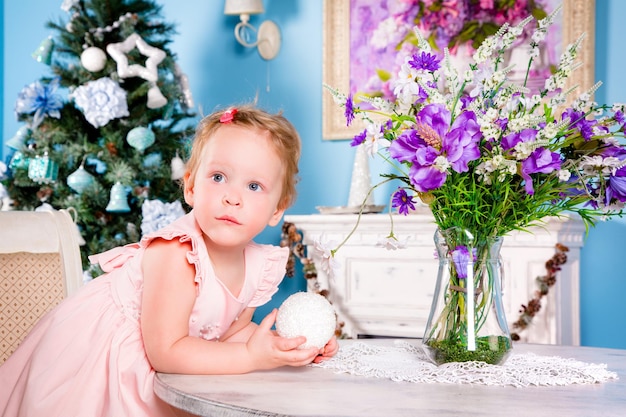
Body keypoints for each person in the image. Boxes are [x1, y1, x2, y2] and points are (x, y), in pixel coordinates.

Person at [0, 105, 339, 416]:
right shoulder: (176, 252)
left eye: (253, 185)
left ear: (277, 210)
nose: (232, 197)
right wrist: (252, 356)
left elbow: (233, 333)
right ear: (190, 187)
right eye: (218, 177)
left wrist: (284, 347)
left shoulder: (257, 265)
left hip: (168, 362)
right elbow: (166, 351)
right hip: (107, 362)